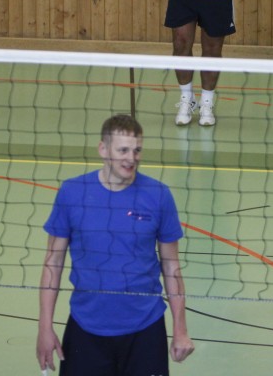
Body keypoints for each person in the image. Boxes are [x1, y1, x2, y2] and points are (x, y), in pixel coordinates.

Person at [36, 114, 194, 374]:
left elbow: (171, 266)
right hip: (86, 326)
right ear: (103, 149)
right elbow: (52, 262)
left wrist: (180, 329)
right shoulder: (72, 192)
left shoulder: (159, 195)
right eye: (123, 150)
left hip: (146, 328)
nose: (131, 158)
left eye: (137, 150)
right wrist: (44, 327)